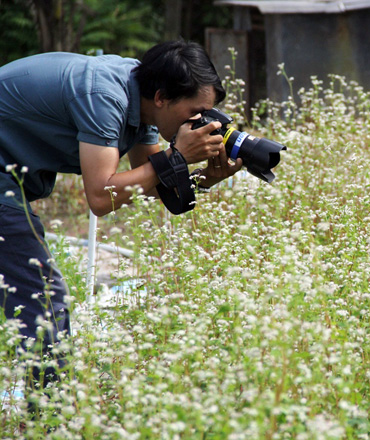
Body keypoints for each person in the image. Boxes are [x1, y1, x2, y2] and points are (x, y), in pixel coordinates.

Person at [0, 40, 242, 415]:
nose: (200, 123)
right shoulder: (105, 96)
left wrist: (206, 179)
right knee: (41, 296)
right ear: (162, 97)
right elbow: (100, 197)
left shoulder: (141, 100)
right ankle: (50, 420)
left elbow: (152, 187)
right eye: (195, 112)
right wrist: (178, 155)